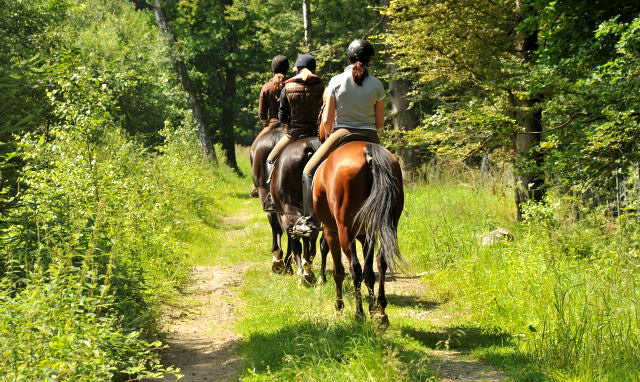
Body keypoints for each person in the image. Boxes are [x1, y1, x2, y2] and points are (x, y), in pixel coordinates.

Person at [293, 39, 385, 236]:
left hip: (341, 132)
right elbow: (380, 123)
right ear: (370, 60)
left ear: (349, 57)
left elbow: (327, 120)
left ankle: (308, 220)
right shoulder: (377, 84)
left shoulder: (335, 81)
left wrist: (328, 136)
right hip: (370, 134)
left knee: (308, 171)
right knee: (391, 173)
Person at [262, 53, 324, 212]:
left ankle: (271, 197)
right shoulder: (321, 85)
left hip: (293, 134)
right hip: (316, 135)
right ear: (313, 68)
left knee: (270, 159)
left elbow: (283, 116)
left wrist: (290, 124)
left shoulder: (287, 86)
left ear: (297, 69)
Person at [249, 55, 289, 197]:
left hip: (272, 124)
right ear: (287, 69)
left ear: (272, 69)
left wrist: (267, 123)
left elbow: (261, 113)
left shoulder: (266, 87)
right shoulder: (290, 84)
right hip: (289, 125)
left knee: (253, 149)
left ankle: (257, 184)